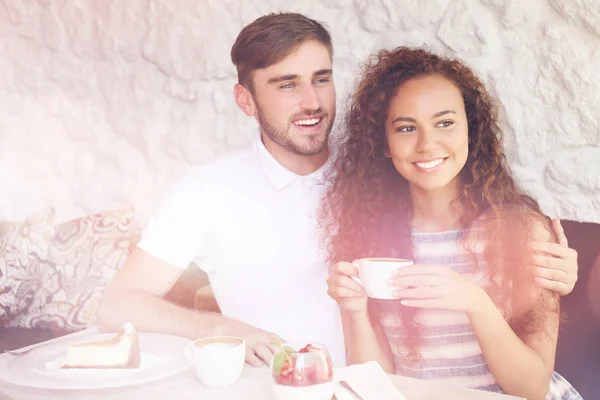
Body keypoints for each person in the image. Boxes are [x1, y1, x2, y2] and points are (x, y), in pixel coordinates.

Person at [96, 13, 579, 370]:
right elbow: (117, 304)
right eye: (287, 85)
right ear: (246, 99)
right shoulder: (208, 189)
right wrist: (222, 327)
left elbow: (475, 221)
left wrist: (552, 268)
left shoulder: (387, 171)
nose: (311, 102)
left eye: (321, 79)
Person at [323, 46, 582, 399]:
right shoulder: (370, 238)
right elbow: (378, 383)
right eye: (406, 128)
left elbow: (532, 388)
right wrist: (353, 312)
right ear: (383, 143)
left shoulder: (524, 232)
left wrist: (474, 301)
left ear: (470, 131)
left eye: (445, 123)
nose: (428, 144)